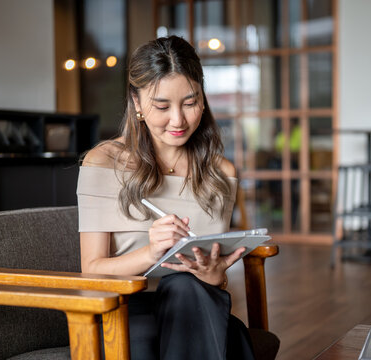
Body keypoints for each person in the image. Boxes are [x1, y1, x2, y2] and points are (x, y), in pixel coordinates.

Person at [76, 35, 255, 360]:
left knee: (188, 288)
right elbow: (92, 270)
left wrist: (215, 275)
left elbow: (215, 277)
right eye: (162, 106)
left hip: (199, 306)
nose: (178, 120)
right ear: (137, 103)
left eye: (190, 103)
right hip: (125, 308)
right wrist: (153, 253)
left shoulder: (220, 172)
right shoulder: (103, 162)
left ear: (203, 99)